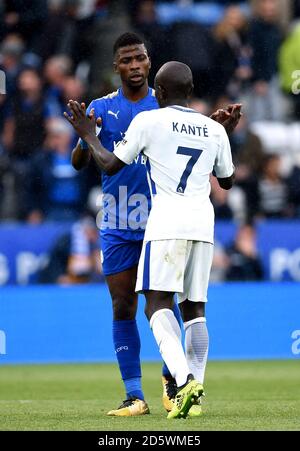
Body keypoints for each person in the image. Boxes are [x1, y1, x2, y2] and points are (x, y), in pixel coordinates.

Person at [69, 32, 241, 417]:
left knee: (163, 301)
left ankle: (172, 381)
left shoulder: (158, 108)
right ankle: (135, 395)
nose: (134, 66)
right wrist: (86, 139)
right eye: (127, 60)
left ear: (151, 65)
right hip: (118, 218)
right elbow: (79, 163)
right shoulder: (101, 106)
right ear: (116, 66)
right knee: (123, 304)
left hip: (158, 220)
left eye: (141, 59)